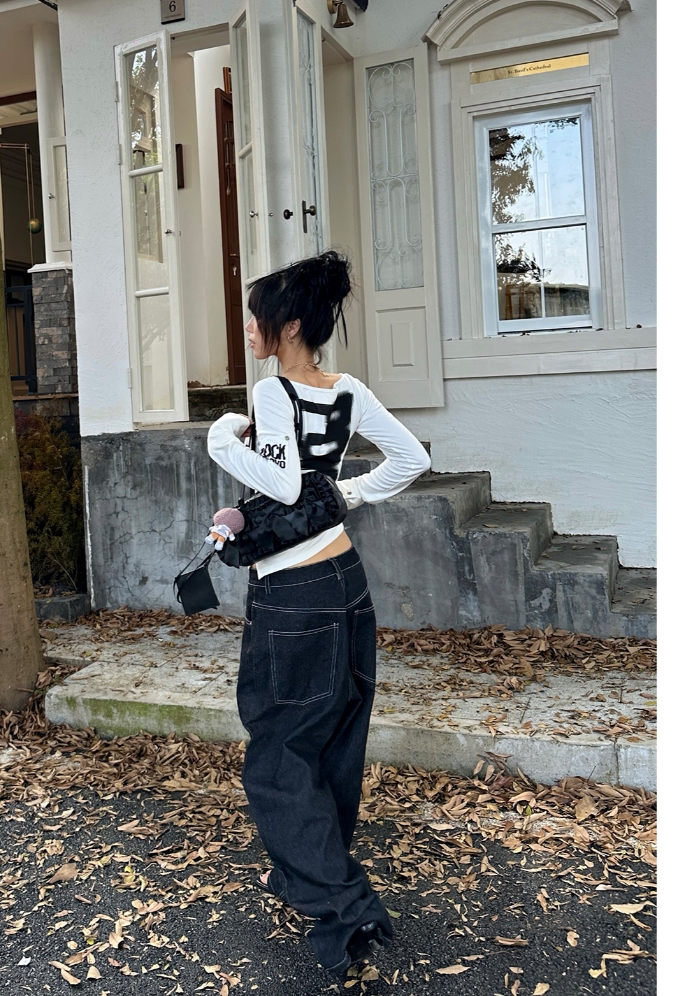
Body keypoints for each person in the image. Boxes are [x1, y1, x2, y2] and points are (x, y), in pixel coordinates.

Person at [206, 250, 430, 980]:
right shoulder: (347, 390)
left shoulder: (273, 391)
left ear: (291, 325)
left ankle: (343, 909)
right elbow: (409, 460)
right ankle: (306, 871)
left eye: (258, 318)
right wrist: (343, 496)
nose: (249, 329)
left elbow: (281, 480)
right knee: (334, 738)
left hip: (296, 596)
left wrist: (219, 440)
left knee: (280, 751)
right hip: (345, 583)